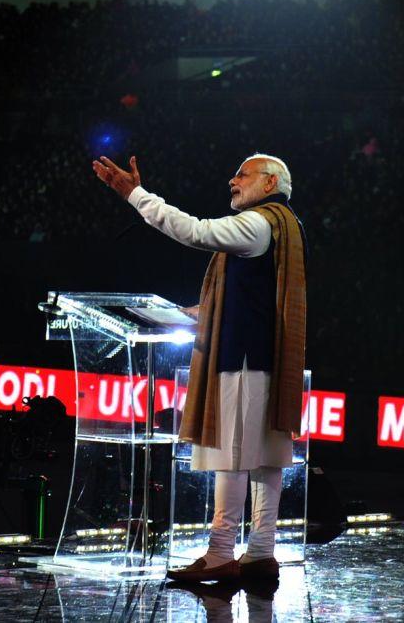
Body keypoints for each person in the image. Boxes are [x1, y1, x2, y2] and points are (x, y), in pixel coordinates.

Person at [93, 152, 307, 583]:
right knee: (265, 458)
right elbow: (254, 295)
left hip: (243, 360)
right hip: (264, 357)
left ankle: (221, 552)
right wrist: (203, 311)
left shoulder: (258, 223)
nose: (233, 179)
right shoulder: (284, 224)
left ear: (269, 184)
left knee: (232, 456)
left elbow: (193, 231)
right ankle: (261, 552)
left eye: (242, 174)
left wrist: (134, 194)